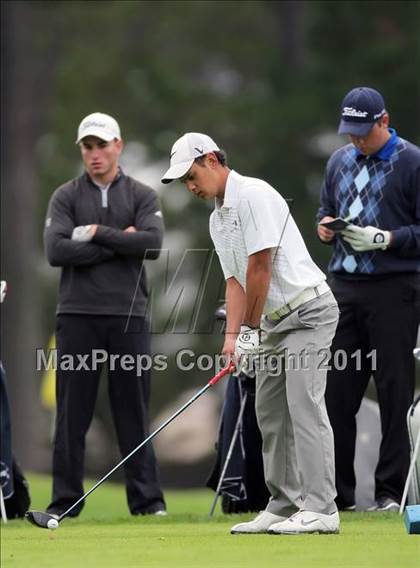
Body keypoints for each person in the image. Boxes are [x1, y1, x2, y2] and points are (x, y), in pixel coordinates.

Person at [161, 132, 340, 534]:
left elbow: (260, 265)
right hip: (274, 321)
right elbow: (235, 282)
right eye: (183, 182)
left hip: (309, 312)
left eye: (191, 175)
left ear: (211, 160)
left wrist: (250, 330)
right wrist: (232, 339)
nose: (190, 186)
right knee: (270, 413)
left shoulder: (255, 195)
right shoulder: (216, 218)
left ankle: (322, 509)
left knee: (304, 405)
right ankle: (283, 504)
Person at [44, 112, 166, 517]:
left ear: (119, 145)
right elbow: (56, 251)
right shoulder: (65, 196)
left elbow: (151, 244)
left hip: (128, 316)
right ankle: (65, 503)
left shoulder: (142, 195)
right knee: (71, 415)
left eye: (101, 145)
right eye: (87, 147)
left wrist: (94, 233)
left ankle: (147, 503)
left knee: (132, 411)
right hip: (77, 316)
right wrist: (118, 240)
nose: (94, 154)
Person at [317, 87, 420, 512]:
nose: (356, 140)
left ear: (384, 121)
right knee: (336, 392)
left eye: (363, 131)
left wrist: (389, 238)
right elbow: (324, 210)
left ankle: (389, 493)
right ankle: (338, 496)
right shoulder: (338, 161)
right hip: (344, 289)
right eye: (350, 132)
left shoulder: (412, 162)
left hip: (395, 290)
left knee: (394, 391)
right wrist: (324, 227)